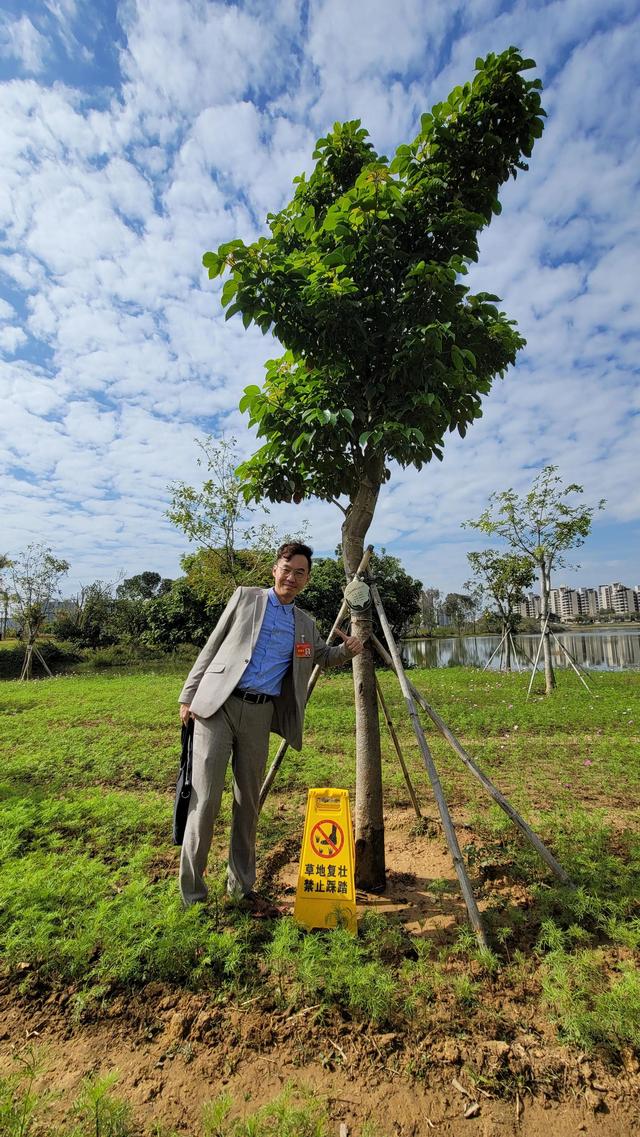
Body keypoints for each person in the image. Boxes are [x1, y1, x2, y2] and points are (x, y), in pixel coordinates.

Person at [178, 541, 363, 912]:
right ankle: (193, 894)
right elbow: (212, 646)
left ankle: (241, 887)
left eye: (300, 573)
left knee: (248, 802)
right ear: (274, 569)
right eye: (287, 569)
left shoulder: (306, 624)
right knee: (206, 800)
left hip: (260, 715)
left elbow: (320, 658)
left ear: (307, 579)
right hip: (218, 706)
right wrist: (188, 695)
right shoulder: (245, 598)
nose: (292, 578)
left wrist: (348, 650)